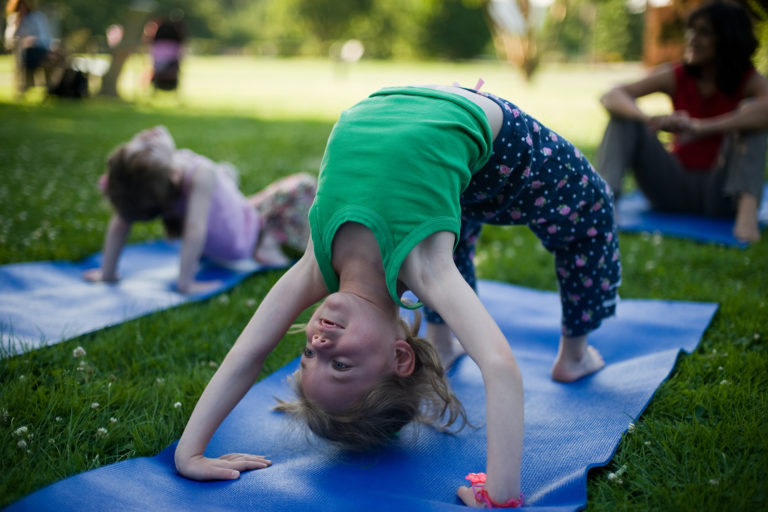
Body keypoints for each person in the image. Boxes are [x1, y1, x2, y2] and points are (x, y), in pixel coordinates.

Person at [173, 84, 620, 507]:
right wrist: (499, 494)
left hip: (415, 108)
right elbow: (501, 368)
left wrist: (189, 453)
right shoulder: (424, 268)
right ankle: (568, 354)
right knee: (591, 209)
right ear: (399, 358)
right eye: (341, 364)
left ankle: (464, 343)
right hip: (469, 127)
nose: (319, 344)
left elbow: (247, 354)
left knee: (451, 217)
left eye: (308, 354)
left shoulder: (315, 265)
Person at [596, 0, 768, 243]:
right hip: (672, 187)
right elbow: (611, 95)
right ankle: (603, 206)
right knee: (624, 117)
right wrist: (649, 119)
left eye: (704, 32)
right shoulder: (676, 75)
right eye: (692, 30)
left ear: (727, 38)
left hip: (722, 194)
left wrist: (701, 127)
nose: (692, 38)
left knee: (753, 119)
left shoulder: (748, 80)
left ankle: (747, 217)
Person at [83, 126, 317, 294]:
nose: (147, 135)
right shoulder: (198, 172)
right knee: (304, 185)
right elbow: (195, 229)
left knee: (226, 171)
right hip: (242, 237)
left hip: (223, 235)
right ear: (170, 173)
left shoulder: (157, 188)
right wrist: (185, 284)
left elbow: (121, 221)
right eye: (147, 147)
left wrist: (108, 274)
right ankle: (267, 241)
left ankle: (264, 238)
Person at [4, 0, 53, 95]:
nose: (23, 9)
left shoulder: (37, 17)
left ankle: (32, 83)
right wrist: (17, 24)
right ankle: (27, 83)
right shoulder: (13, 19)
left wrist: (33, 40)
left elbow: (45, 37)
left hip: (39, 48)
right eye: (20, 6)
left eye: (25, 6)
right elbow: (9, 41)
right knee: (26, 53)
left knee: (36, 54)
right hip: (21, 51)